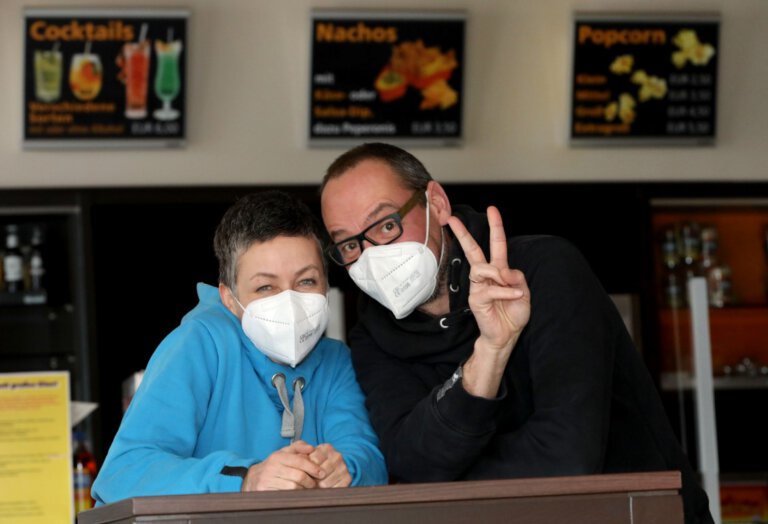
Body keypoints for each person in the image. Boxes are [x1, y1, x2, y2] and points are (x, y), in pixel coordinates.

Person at [319, 142, 713, 524]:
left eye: (388, 224)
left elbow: (569, 457)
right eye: (351, 245)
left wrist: (447, 472)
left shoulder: (544, 269)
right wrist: (489, 353)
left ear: (435, 203)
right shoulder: (371, 333)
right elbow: (409, 465)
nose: (373, 256)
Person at [92, 190, 387, 504]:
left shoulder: (335, 360)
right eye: (265, 287)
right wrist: (247, 479)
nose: (289, 302)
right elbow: (123, 474)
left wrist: (346, 469)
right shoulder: (200, 344)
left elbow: (369, 459)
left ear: (327, 285)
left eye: (306, 281)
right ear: (229, 298)